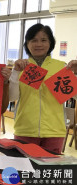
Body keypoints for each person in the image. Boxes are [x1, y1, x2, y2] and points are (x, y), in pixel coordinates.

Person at [9, 23, 77, 154]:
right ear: (27, 44)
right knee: (25, 171)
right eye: (33, 40)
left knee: (48, 172)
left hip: (54, 131)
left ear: (50, 43)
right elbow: (12, 97)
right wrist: (16, 72)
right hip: (25, 129)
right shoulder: (21, 67)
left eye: (43, 40)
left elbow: (75, 96)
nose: (38, 44)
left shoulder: (61, 67)